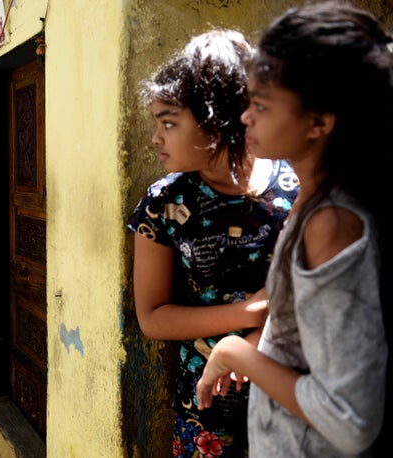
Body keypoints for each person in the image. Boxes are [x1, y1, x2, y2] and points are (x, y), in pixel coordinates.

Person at [196, 2, 390, 456]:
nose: (246, 117)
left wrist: (235, 353)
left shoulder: (332, 224)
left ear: (320, 122)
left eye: (261, 105)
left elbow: (350, 420)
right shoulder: (314, 201)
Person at [127, 29, 299, 457]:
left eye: (169, 122)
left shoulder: (296, 186)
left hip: (294, 385)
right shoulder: (164, 203)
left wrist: (260, 331)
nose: (156, 138)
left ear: (215, 120)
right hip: (207, 399)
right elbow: (152, 318)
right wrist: (248, 311)